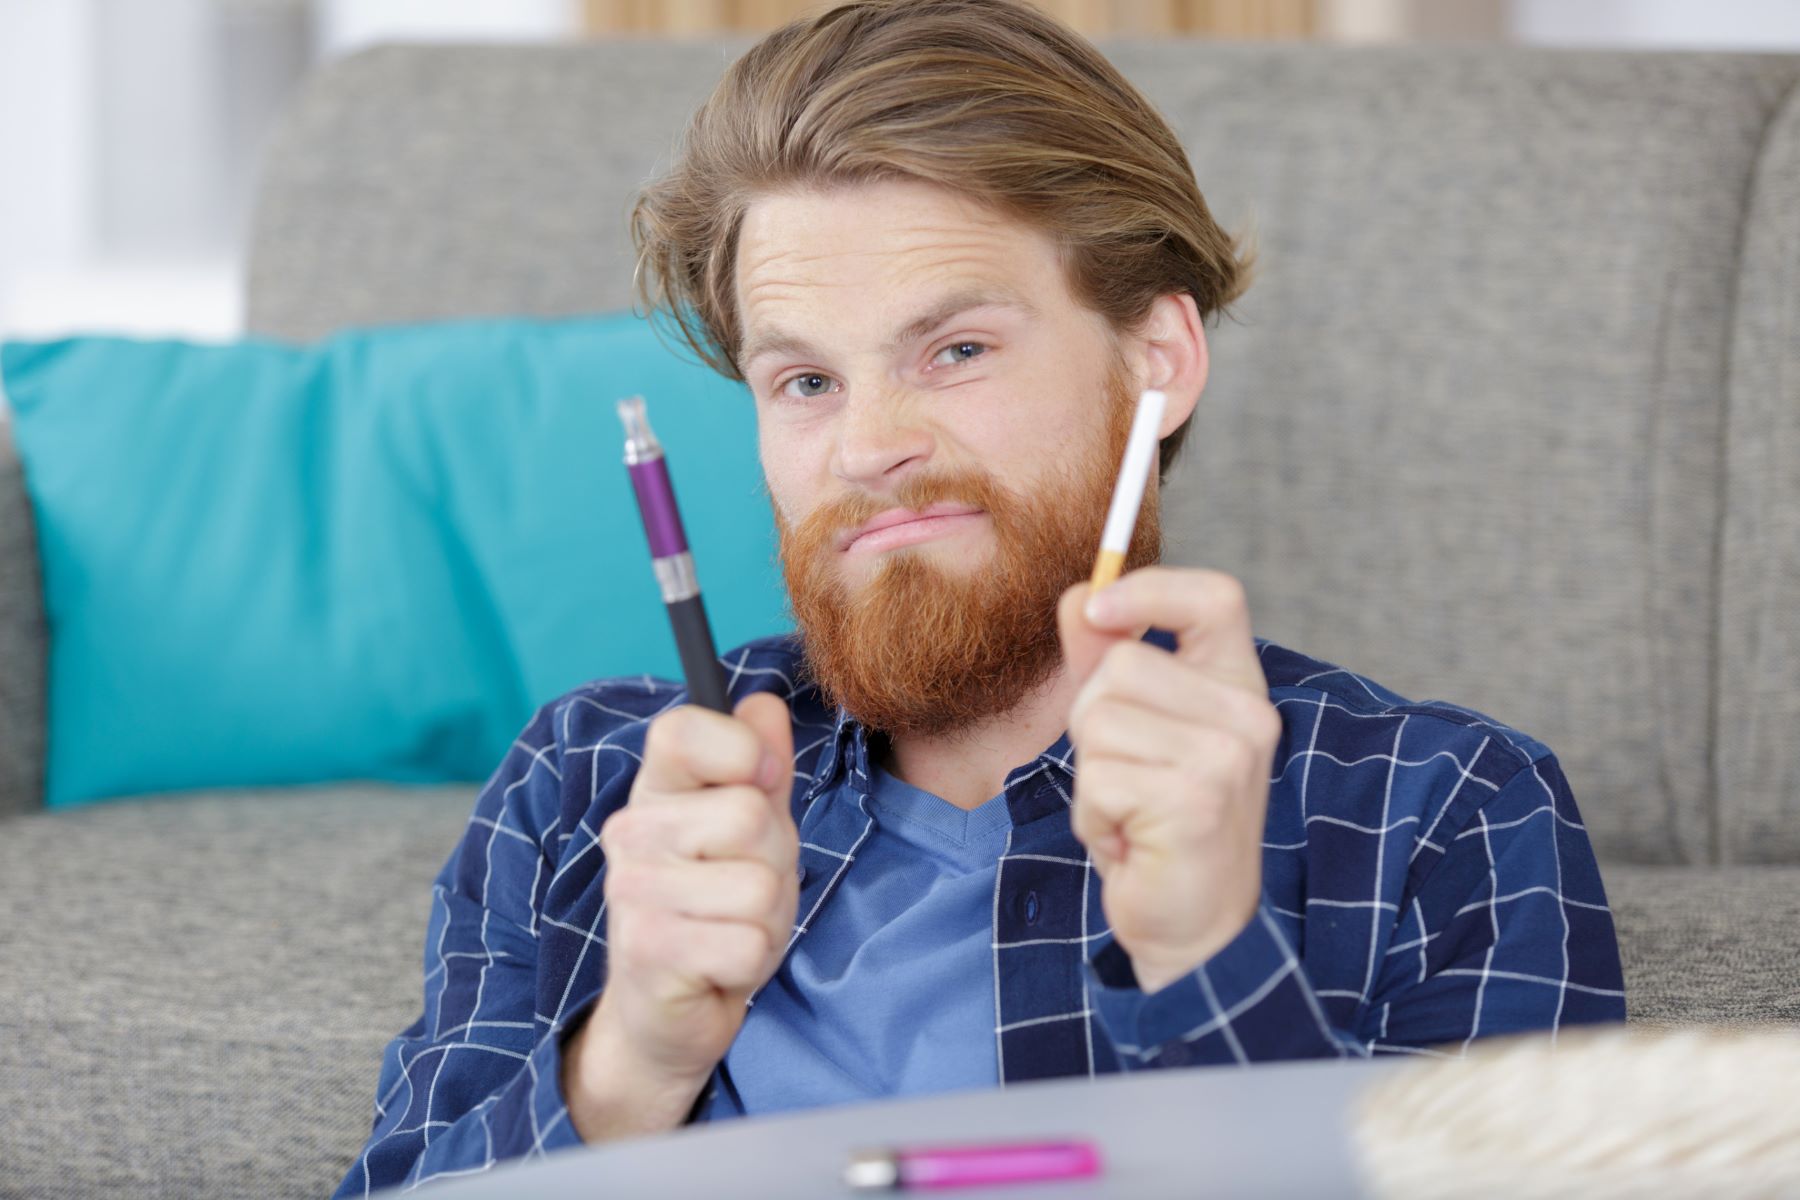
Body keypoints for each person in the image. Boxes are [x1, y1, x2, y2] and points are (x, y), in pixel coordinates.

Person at [335, 1, 1625, 1192]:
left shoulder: (1444, 816)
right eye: (804, 383)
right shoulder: (590, 788)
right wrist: (632, 1061)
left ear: (1158, 359)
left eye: (955, 350)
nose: (866, 448)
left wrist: (1205, 963)